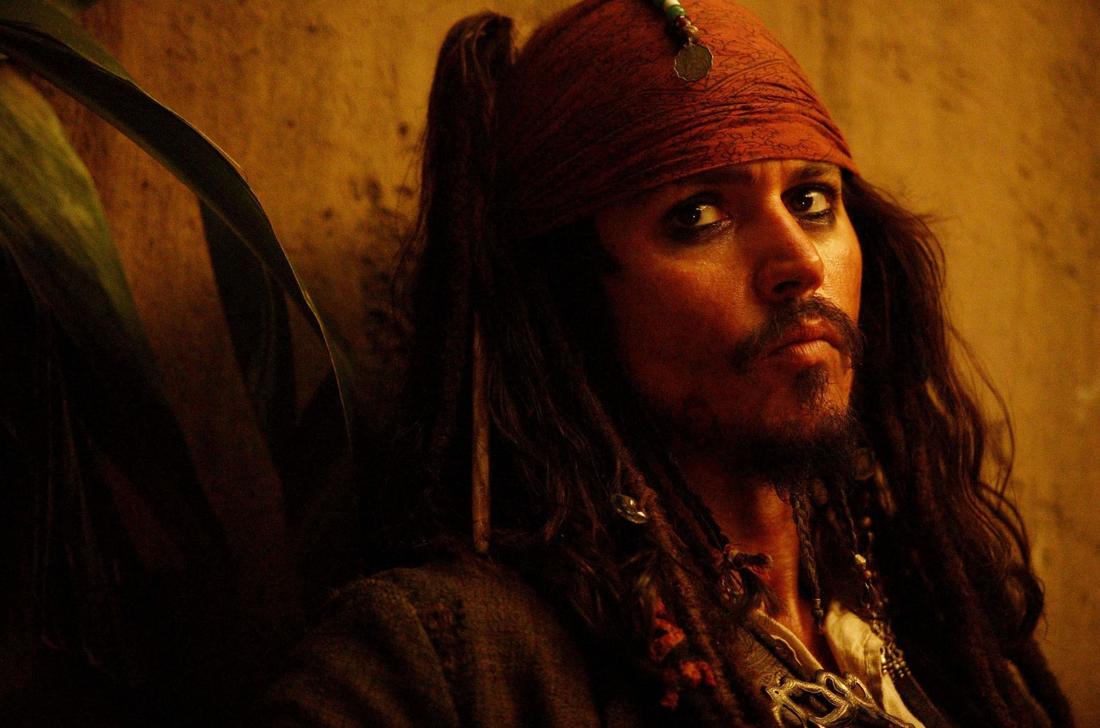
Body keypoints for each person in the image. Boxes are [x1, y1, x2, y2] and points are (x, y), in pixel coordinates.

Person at [256, 1, 1073, 725]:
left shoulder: (932, 620)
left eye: (812, 200)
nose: (799, 261)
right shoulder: (455, 658)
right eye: (699, 215)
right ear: (570, 302)